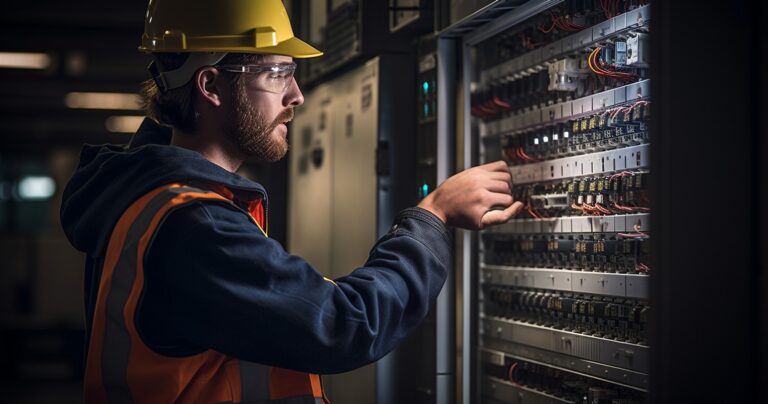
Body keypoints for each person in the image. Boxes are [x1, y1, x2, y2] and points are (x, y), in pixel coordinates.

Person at [60, 0, 524, 402]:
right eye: (276, 74)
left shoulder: (147, 198)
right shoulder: (193, 224)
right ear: (210, 86)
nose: (296, 96)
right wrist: (433, 215)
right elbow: (344, 324)